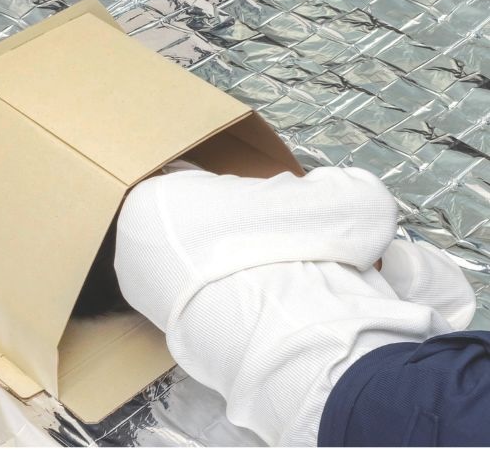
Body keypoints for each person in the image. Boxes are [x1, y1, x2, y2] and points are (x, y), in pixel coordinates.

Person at [111, 162, 482, 446]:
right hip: (393, 399)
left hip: (333, 424)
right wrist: (348, 247)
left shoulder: (172, 277)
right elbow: (367, 203)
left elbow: (448, 299)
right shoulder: (157, 205)